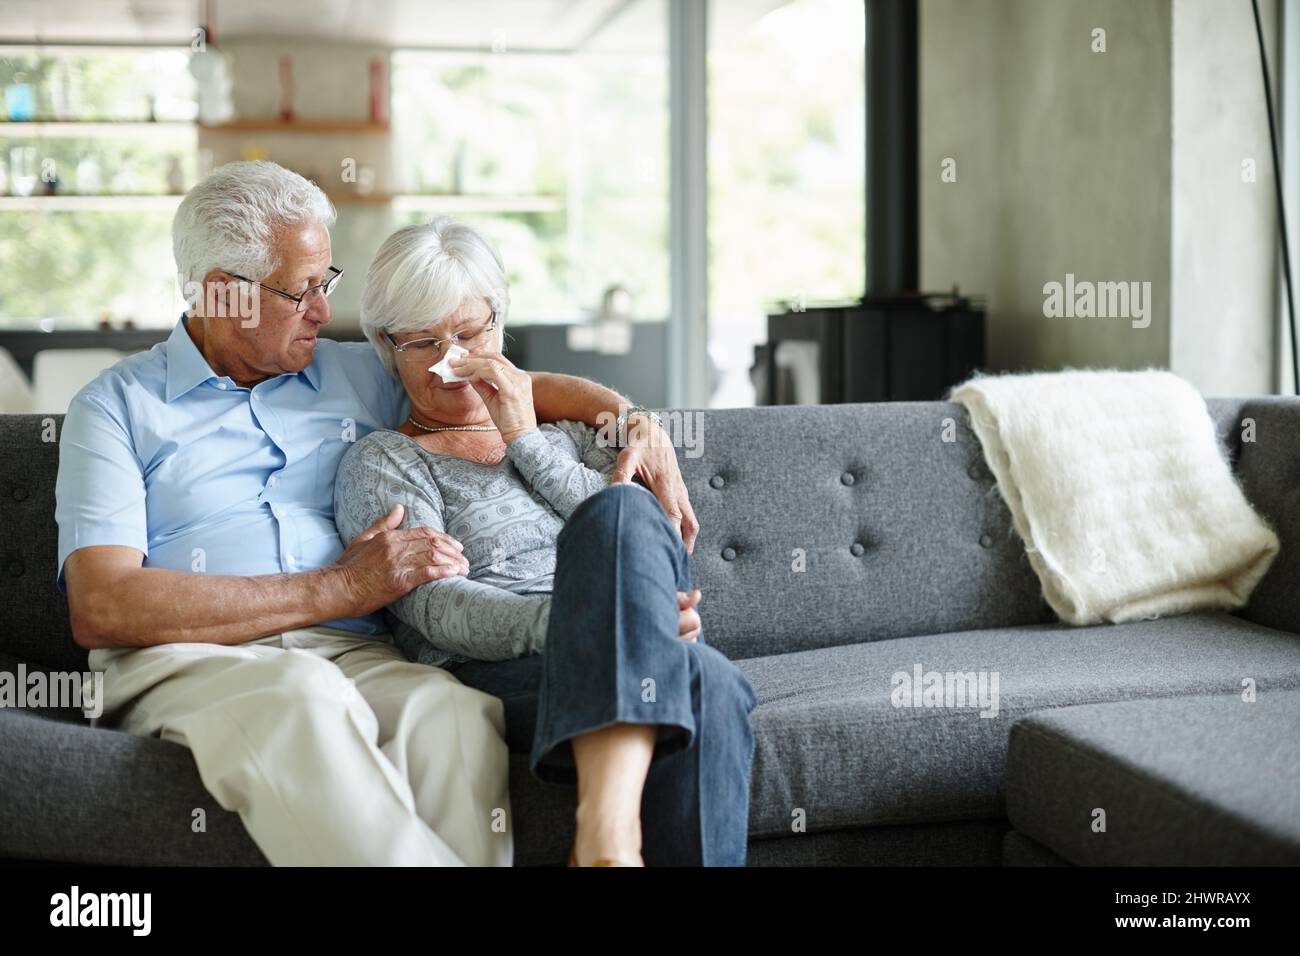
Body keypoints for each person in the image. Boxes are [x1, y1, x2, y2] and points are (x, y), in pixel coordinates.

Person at [55, 161, 700, 867]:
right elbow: (103, 604)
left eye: (324, 283)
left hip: (352, 653)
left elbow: (504, 381)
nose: (324, 312)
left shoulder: (355, 371)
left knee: (451, 713)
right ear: (222, 295)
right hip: (186, 658)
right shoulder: (113, 407)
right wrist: (337, 588)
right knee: (298, 696)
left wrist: (630, 419)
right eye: (301, 291)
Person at [334, 217, 757, 866]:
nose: (451, 361)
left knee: (626, 523)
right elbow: (435, 607)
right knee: (710, 682)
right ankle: (606, 843)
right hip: (498, 669)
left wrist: (526, 442)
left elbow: (642, 536)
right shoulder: (386, 461)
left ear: (498, 325)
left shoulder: (569, 434)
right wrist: (591, 622)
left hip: (612, 647)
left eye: (469, 333)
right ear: (388, 348)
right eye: (422, 342)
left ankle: (605, 843)